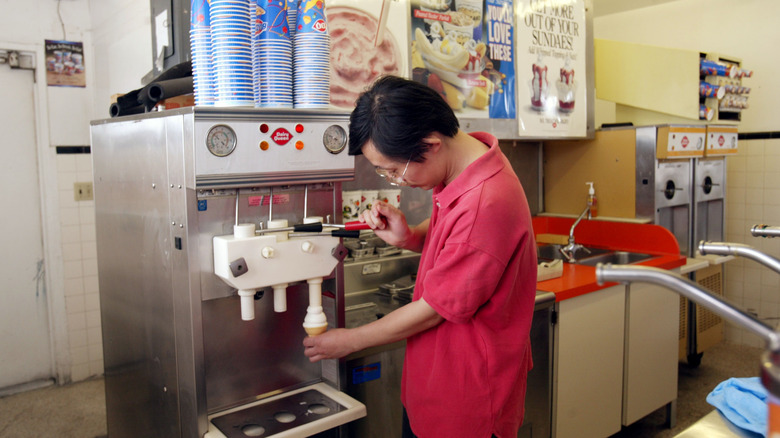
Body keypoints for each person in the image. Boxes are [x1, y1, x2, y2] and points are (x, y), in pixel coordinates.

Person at [302, 75, 537, 438]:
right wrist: (411, 237)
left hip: (466, 402)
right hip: (437, 383)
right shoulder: (467, 165)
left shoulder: (487, 201)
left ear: (430, 145)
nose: (395, 180)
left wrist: (351, 339)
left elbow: (434, 309)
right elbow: (457, 233)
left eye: (394, 171)